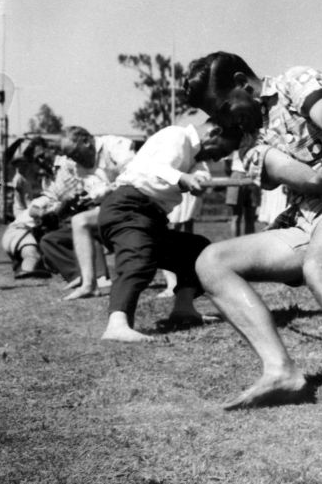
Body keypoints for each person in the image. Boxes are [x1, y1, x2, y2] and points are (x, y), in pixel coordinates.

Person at [184, 53, 322, 430]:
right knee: (210, 262)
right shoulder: (249, 145)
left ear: (242, 82)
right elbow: (293, 173)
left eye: (222, 108)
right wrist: (314, 181)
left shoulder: (294, 81)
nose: (222, 121)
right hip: (308, 217)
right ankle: (281, 372)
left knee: (321, 265)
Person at [97, 117, 243, 342]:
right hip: (128, 207)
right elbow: (154, 168)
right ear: (215, 132)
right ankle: (117, 324)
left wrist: (197, 180)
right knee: (138, 258)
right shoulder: (177, 135)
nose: (219, 157)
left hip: (151, 216)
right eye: (223, 150)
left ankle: (183, 309)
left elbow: (200, 175)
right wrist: (183, 177)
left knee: (196, 249)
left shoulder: (195, 156)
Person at [32, 126, 135, 297]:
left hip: (137, 204)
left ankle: (98, 278)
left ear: (86, 142)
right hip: (111, 210)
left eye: (73, 152)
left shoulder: (116, 145)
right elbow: (90, 191)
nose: (71, 158)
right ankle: (88, 284)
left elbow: (134, 176)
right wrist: (92, 197)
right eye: (68, 155)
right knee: (79, 222)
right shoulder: (77, 166)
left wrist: (107, 191)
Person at [0, 136, 55, 278]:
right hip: (23, 218)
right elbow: (6, 159)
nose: (20, 166)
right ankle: (26, 267)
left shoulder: (39, 173)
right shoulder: (19, 176)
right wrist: (16, 143)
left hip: (31, 218)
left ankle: (24, 265)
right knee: (32, 253)